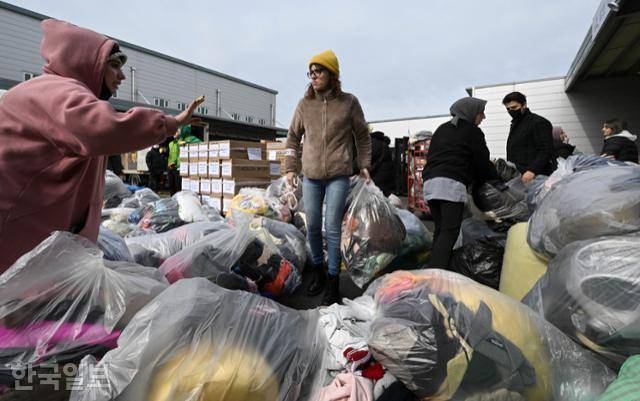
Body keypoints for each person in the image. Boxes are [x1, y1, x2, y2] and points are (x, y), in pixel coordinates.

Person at [0, 19, 203, 272]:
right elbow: (106, 128)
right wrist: (170, 123)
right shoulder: (53, 92)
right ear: (84, 61)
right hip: (19, 252)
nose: (121, 75)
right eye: (114, 65)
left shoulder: (72, 95)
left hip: (42, 253)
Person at [284, 50, 372, 305]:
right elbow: (292, 137)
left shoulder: (349, 103)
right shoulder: (304, 105)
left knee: (332, 227)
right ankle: (319, 272)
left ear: (332, 74)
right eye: (310, 73)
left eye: (318, 72)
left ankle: (333, 280)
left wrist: (364, 164)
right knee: (312, 226)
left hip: (338, 175)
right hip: (310, 176)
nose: (313, 77)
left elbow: (363, 135)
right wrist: (290, 167)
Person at [422, 97, 497, 269]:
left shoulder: (442, 128)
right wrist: (495, 179)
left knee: (441, 230)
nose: (483, 117)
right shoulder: (472, 131)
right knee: (450, 231)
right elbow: (482, 162)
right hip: (450, 183)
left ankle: (433, 267)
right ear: (471, 113)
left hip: (430, 183)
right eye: (481, 113)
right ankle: (435, 275)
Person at [503, 92, 554, 182]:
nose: (511, 111)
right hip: (518, 174)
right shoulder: (516, 124)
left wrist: (532, 170)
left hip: (534, 176)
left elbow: (546, 149)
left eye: (514, 107)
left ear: (524, 105)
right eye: (508, 109)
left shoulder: (538, 122)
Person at [167, 125, 201, 195]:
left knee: (178, 188)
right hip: (171, 167)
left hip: (181, 168)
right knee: (171, 187)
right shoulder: (172, 143)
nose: (175, 133)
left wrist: (187, 143)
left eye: (177, 131)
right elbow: (172, 155)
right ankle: (173, 202)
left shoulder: (189, 139)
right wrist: (170, 163)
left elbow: (200, 143)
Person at [370, 131, 395, 196]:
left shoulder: (373, 143)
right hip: (387, 174)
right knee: (384, 195)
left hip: (377, 174)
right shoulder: (385, 145)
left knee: (375, 195)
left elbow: (370, 158)